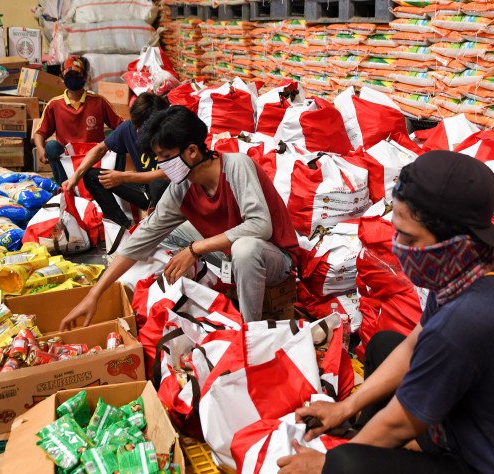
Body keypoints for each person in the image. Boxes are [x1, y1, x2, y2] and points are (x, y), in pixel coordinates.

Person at [275, 151, 494, 474]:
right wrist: (345, 408)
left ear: (453, 239)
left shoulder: (468, 319)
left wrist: (329, 465)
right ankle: (380, 463)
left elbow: (401, 422)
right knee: (384, 344)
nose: (397, 246)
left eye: (408, 237)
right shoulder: (470, 269)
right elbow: (414, 344)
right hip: (475, 443)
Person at [59, 106, 300, 327]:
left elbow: (260, 226)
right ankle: (192, 285)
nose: (161, 165)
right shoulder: (182, 187)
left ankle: (249, 331)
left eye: (165, 157)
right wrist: (95, 293)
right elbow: (143, 236)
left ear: (192, 151)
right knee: (158, 230)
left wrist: (195, 249)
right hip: (228, 254)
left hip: (274, 260)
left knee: (244, 248)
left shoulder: (237, 166)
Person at [61, 92, 170, 228]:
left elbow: (169, 173)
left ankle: (154, 225)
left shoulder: (170, 131)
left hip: (170, 193)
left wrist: (124, 176)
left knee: (158, 184)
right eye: (138, 128)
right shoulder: (129, 128)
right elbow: (100, 149)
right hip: (145, 191)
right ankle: (124, 226)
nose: (140, 132)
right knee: (92, 176)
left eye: (145, 128)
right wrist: (75, 177)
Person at [33, 55, 123, 185]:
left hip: (95, 157)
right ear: (62, 78)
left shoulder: (98, 101)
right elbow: (39, 133)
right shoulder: (54, 104)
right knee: (51, 147)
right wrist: (41, 150)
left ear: (85, 77)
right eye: (69, 76)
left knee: (119, 142)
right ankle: (64, 185)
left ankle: (114, 186)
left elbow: (120, 126)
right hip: (68, 158)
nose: (73, 79)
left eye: (77, 74)